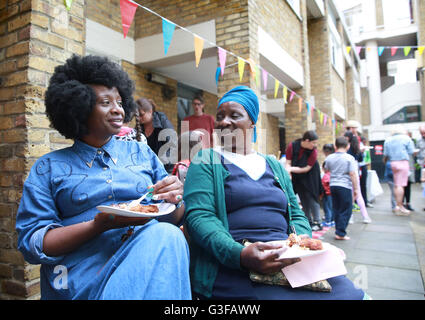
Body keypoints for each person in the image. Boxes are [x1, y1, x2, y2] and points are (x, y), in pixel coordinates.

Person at [15, 55, 191, 300]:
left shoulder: (141, 152)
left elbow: (172, 216)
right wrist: (98, 225)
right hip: (82, 274)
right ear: (79, 107)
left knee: (167, 235)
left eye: (119, 101)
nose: (118, 109)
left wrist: (174, 199)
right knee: (165, 237)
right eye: (105, 102)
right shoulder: (49, 167)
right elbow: (33, 243)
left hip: (148, 256)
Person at [184, 85, 366, 300]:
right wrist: (239, 255)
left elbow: (296, 212)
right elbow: (199, 216)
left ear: (252, 122)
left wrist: (300, 243)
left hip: (289, 258)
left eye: (235, 115)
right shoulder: (205, 160)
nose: (224, 122)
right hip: (234, 262)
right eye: (220, 116)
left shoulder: (273, 164)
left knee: (349, 295)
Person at [285, 131, 323, 231]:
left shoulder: (314, 151)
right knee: (303, 198)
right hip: (297, 176)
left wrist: (291, 169)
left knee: (312, 198)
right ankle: (308, 221)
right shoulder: (292, 146)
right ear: (306, 141)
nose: (315, 145)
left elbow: (307, 168)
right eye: (313, 143)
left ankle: (317, 222)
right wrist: (288, 173)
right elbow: (288, 162)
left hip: (311, 175)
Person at [324, 137, 359, 240]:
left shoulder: (329, 157)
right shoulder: (349, 158)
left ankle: (338, 230)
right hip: (344, 186)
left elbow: (326, 169)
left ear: (335, 146)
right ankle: (340, 233)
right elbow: (352, 173)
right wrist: (356, 188)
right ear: (347, 146)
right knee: (346, 209)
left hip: (333, 185)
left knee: (336, 208)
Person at [135, 98, 176, 173]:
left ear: (150, 111)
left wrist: (158, 166)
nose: (139, 118)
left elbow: (171, 147)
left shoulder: (164, 122)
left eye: (141, 115)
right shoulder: (138, 127)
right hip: (148, 169)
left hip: (166, 169)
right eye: (137, 115)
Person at [383, 125, 415, 215]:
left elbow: (386, 153)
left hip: (393, 163)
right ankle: (400, 206)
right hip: (403, 162)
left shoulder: (388, 140)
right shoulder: (406, 138)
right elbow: (411, 151)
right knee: (401, 185)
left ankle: (397, 205)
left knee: (397, 185)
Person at [344, 131, 372, 224]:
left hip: (348, 172)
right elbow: (360, 159)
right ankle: (365, 216)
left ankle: (351, 217)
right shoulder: (356, 147)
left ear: (348, 138)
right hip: (355, 171)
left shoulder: (347, 148)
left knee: (351, 196)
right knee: (358, 194)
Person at [321, 144, 335, 227]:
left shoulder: (326, 176)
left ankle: (328, 221)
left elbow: (324, 184)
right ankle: (332, 220)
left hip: (327, 194)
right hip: (332, 192)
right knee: (332, 207)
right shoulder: (332, 173)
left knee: (327, 208)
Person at [359, 136, 372, 208]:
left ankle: (365, 201)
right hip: (360, 167)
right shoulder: (359, 146)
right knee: (361, 186)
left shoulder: (363, 147)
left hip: (363, 166)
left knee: (363, 185)